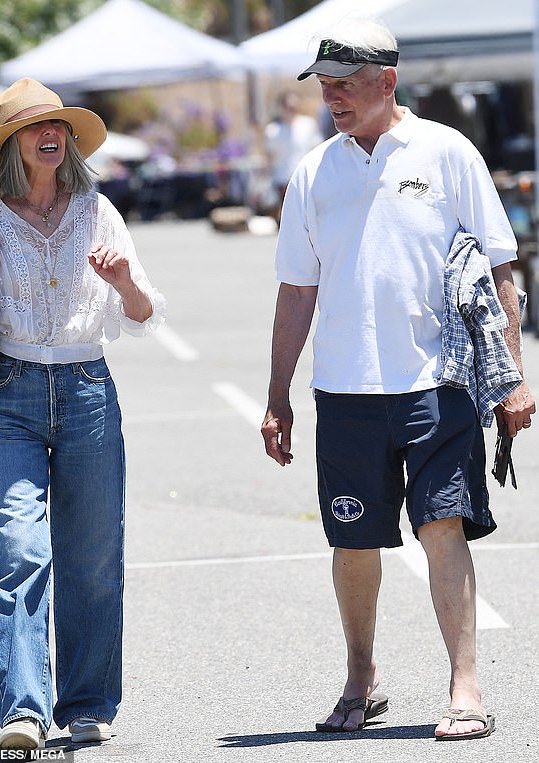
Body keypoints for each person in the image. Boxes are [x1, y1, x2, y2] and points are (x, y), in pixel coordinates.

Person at [260, 17, 535, 741]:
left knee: (442, 527)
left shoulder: (447, 153)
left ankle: (465, 685)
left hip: (437, 381)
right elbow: (296, 290)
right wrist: (276, 393)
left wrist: (511, 377)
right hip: (345, 390)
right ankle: (360, 676)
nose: (333, 99)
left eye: (346, 84)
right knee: (353, 540)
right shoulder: (315, 171)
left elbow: (500, 268)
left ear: (387, 81)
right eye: (325, 87)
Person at [0, 78, 165, 749]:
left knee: (92, 556)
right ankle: (23, 711)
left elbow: (145, 314)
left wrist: (123, 283)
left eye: (55, 125)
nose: (49, 135)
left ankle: (86, 700)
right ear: (11, 145)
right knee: (22, 547)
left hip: (88, 387)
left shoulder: (98, 209)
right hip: (7, 394)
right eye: (33, 129)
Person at [263, 90, 323, 224]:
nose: (292, 110)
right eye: (289, 107)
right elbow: (269, 157)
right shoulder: (273, 130)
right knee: (288, 219)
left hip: (305, 177)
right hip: (282, 179)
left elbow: (316, 148)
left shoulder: (308, 125)